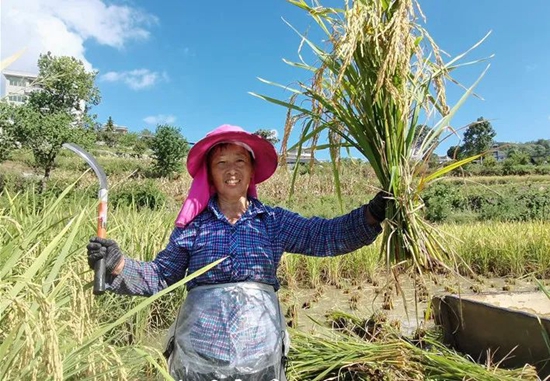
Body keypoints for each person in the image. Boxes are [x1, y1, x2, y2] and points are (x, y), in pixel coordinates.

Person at [87, 124, 388, 381]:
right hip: (199, 358)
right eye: (221, 163)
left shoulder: (273, 222)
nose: (231, 170)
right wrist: (118, 265)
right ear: (210, 175)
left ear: (252, 170)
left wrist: (371, 215)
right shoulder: (192, 228)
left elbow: (325, 236)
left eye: (240, 161)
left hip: (261, 358)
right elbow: (161, 276)